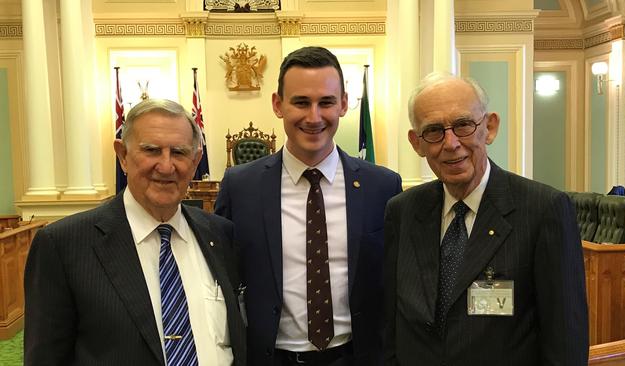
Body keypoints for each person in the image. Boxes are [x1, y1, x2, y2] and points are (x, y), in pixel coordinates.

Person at [215, 46, 402, 366]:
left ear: (343, 104)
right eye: (301, 102)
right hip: (271, 358)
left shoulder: (382, 186)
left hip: (358, 356)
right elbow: (222, 275)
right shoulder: (240, 186)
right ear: (278, 104)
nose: (313, 117)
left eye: (326, 102)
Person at [383, 72, 588, 365]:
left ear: (489, 127)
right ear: (417, 143)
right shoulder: (402, 211)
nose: (451, 143)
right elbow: (390, 325)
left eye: (464, 125)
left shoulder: (544, 210)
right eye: (434, 131)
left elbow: (565, 340)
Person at [24, 99, 246, 365]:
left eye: (178, 152)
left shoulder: (220, 234)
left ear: (196, 159)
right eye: (151, 150)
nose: (166, 166)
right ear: (123, 156)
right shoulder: (64, 245)